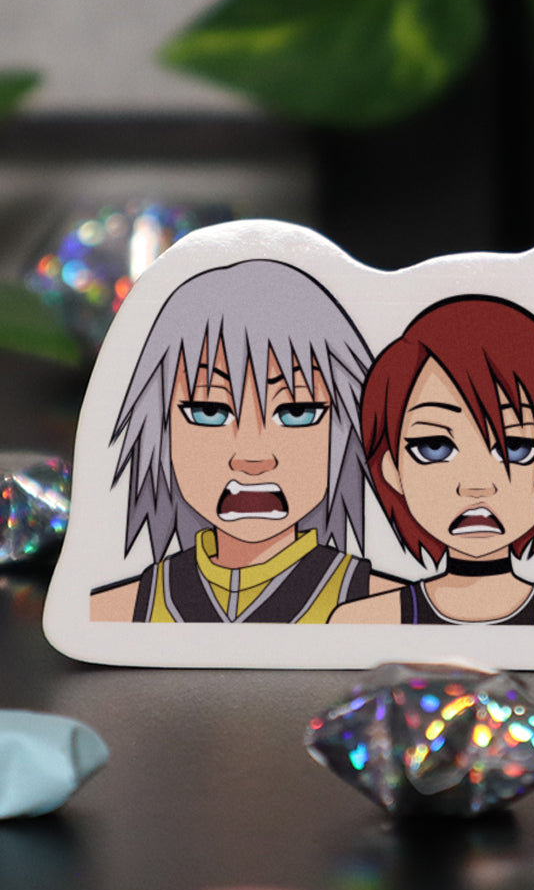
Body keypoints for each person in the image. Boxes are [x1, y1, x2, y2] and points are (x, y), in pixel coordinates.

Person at [89, 259, 398, 622]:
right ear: (159, 425)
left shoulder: (385, 610)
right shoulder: (114, 614)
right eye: (209, 411)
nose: (253, 456)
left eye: (296, 412)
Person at [332, 296, 534, 626]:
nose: (477, 485)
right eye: (435, 447)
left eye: (515, 448)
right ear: (393, 470)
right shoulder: (363, 622)